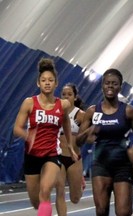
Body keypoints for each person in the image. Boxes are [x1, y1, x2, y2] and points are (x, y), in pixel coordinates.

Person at [13, 58, 78, 216]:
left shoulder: (63, 105)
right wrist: (28, 136)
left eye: (50, 80)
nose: (47, 83)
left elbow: (66, 124)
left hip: (52, 155)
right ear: (38, 83)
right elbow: (16, 128)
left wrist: (70, 146)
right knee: (36, 202)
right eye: (43, 80)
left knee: (45, 190)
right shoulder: (29, 103)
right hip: (32, 155)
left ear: (56, 84)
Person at [76, 68, 133, 216]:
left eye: (114, 84)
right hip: (101, 165)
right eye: (107, 83)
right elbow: (78, 141)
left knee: (123, 212)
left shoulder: (128, 111)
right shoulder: (92, 111)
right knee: (101, 210)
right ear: (102, 85)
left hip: (122, 165)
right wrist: (89, 131)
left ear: (120, 87)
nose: (110, 87)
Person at [55, 83, 86, 216]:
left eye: (69, 94)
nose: (66, 97)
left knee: (75, 198)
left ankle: (80, 184)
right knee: (59, 191)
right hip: (58, 157)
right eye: (64, 94)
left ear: (75, 97)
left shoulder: (81, 115)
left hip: (74, 159)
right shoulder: (55, 112)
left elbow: (83, 139)